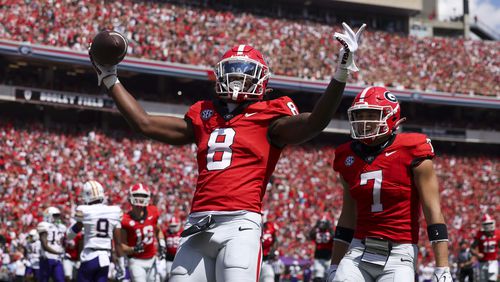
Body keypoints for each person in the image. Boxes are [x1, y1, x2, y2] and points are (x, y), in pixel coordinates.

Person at [89, 22, 365, 282]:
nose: (237, 77)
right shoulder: (203, 114)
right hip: (198, 225)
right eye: (232, 69)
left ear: (262, 81)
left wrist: (341, 73)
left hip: (240, 225)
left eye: (245, 71)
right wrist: (110, 77)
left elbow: (316, 122)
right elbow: (144, 123)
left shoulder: (271, 115)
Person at [326, 86, 453, 282]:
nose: (364, 122)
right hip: (359, 249)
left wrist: (442, 267)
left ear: (391, 116)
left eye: (371, 115)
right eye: (359, 115)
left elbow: (433, 211)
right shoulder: (347, 156)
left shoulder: (413, 149)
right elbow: (348, 216)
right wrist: (334, 264)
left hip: (399, 252)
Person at [66, 180, 123, 282]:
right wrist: (121, 264)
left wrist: (78, 226)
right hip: (105, 258)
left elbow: (70, 235)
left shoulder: (85, 211)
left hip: (90, 256)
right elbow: (118, 243)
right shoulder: (114, 211)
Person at [120, 183, 165, 282]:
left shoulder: (153, 211)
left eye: (143, 195)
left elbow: (158, 231)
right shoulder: (125, 220)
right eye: (137, 195)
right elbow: (122, 246)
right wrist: (133, 249)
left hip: (152, 258)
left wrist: (162, 244)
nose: (140, 198)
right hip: (136, 261)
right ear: (131, 197)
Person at [37, 207, 66, 282]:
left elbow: (61, 242)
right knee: (44, 280)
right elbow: (45, 246)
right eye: (55, 215)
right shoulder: (44, 225)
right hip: (47, 258)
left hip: (57, 259)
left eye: (57, 215)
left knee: (60, 280)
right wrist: (58, 252)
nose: (57, 218)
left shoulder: (60, 227)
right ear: (48, 215)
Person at [471, 214, 499, 282]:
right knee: (483, 280)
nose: (489, 226)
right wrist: (477, 255)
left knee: (492, 280)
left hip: (493, 262)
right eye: (487, 224)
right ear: (483, 225)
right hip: (482, 262)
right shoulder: (480, 234)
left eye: (490, 223)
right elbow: (472, 248)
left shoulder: (498, 233)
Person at [309, 216, 334, 282]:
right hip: (320, 258)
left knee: (328, 277)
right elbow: (311, 235)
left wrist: (315, 226)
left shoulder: (327, 233)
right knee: (318, 277)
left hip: (327, 258)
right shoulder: (320, 232)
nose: (322, 225)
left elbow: (311, 235)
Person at [164, 216, 183, 280]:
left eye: (174, 226)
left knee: (179, 275)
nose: (173, 228)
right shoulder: (166, 232)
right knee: (168, 274)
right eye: (172, 226)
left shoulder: (182, 232)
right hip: (169, 258)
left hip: (179, 257)